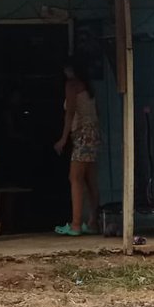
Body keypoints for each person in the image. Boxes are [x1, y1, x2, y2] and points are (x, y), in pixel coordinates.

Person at [53, 58, 100, 235]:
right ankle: (93, 222)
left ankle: (75, 224)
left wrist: (63, 139)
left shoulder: (72, 85)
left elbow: (70, 113)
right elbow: (97, 112)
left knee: (75, 178)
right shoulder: (89, 86)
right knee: (90, 181)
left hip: (82, 135)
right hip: (93, 134)